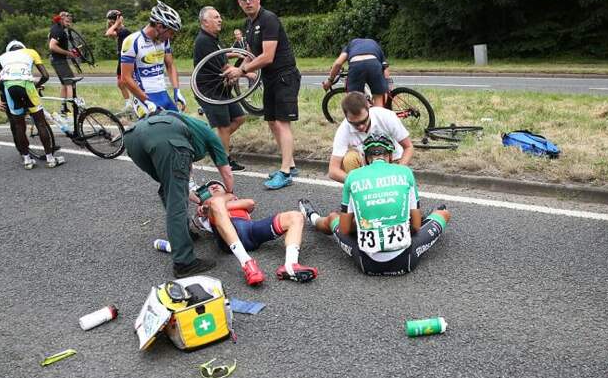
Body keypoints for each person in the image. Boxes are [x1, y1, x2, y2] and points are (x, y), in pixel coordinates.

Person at [299, 133, 451, 276]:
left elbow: (345, 229)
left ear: (365, 158)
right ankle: (423, 218)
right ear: (391, 156)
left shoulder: (353, 176)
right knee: (443, 213)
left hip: (367, 263)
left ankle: (312, 216)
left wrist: (368, 224)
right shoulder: (404, 172)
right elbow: (416, 226)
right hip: (405, 261)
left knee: (333, 217)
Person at [123, 109, 234, 278]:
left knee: (171, 188)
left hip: (132, 137)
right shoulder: (210, 135)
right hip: (165, 140)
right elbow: (227, 172)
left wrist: (194, 197)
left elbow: (181, 176)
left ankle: (182, 233)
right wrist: (230, 194)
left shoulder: (187, 130)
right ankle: (184, 263)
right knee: (177, 199)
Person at [223, 0, 301, 190]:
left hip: (285, 76)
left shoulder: (268, 19)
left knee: (283, 123)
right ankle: (290, 165)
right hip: (269, 78)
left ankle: (284, 173)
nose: (248, 2)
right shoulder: (249, 24)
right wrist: (237, 70)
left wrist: (241, 71)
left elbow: (267, 56)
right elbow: (250, 55)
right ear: (239, 3)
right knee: (272, 121)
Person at [192, 180, 317, 286]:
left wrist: (221, 203)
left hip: (250, 230)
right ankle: (247, 263)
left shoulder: (228, 201)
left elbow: (250, 203)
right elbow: (199, 220)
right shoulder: (203, 210)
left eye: (218, 184)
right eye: (210, 186)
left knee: (296, 216)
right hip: (226, 236)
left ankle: (290, 266)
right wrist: (207, 206)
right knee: (215, 203)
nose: (214, 185)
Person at [193, 6, 246, 172]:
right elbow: (223, 67)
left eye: (219, 16)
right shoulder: (203, 41)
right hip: (209, 92)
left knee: (239, 118)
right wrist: (245, 73)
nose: (220, 19)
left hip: (221, 90)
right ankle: (225, 161)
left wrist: (236, 56)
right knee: (223, 126)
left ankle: (212, 143)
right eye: (216, 17)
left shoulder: (214, 38)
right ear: (205, 21)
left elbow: (222, 56)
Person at [0, 40, 65, 169]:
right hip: (27, 85)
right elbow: (45, 76)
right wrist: (36, 85)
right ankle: (50, 159)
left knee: (19, 126)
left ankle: (27, 160)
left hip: (9, 87)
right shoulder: (31, 52)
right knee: (40, 122)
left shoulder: (2, 57)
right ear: (22, 48)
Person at [329, 91, 413, 183]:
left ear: (369, 108)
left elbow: (408, 147)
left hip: (393, 162)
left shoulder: (386, 116)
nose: (361, 126)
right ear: (346, 117)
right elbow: (333, 171)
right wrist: (358, 183)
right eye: (355, 124)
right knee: (350, 158)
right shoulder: (344, 129)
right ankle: (359, 195)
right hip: (366, 167)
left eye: (363, 121)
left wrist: (398, 172)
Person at [120, 1, 186, 119]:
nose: (171, 36)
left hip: (163, 94)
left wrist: (177, 90)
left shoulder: (164, 40)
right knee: (156, 134)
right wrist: (146, 101)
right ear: (160, 26)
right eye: (170, 32)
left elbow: (170, 65)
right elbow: (125, 78)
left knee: (180, 126)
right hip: (144, 97)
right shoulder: (132, 41)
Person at [322, 38, 392, 107]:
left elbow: (338, 64)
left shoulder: (350, 45)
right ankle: (377, 114)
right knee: (378, 100)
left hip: (356, 65)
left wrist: (329, 81)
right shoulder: (375, 45)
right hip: (374, 64)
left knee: (355, 101)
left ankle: (362, 112)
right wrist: (388, 83)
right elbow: (385, 66)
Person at [48, 11, 76, 115]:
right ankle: (74, 109)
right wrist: (68, 53)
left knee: (65, 83)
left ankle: (63, 108)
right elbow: (52, 46)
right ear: (61, 19)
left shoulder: (58, 28)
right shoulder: (58, 30)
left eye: (70, 21)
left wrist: (69, 53)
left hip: (57, 59)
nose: (69, 23)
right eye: (67, 21)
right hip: (58, 60)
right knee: (70, 82)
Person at [105, 10, 132, 112]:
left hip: (126, 60)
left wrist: (117, 23)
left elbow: (108, 33)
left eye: (112, 22)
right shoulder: (120, 31)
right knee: (121, 83)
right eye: (111, 22)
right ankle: (129, 104)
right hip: (122, 59)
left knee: (126, 82)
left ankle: (134, 102)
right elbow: (110, 33)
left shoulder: (124, 31)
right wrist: (116, 23)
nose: (110, 24)